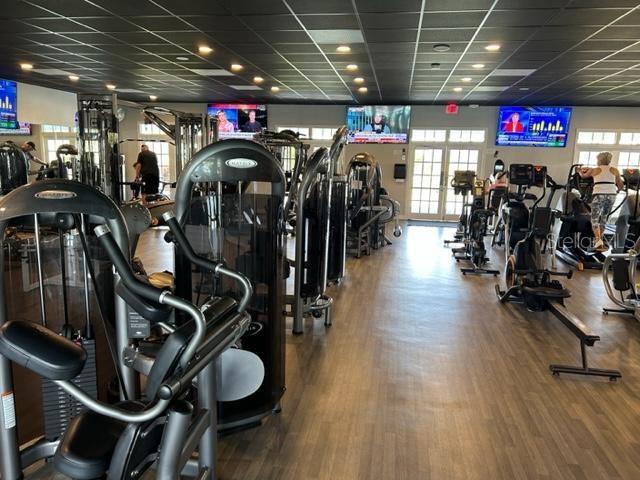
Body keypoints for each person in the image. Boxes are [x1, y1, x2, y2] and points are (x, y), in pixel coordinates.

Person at [578, 151, 623, 251]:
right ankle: (598, 240)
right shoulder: (615, 170)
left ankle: (598, 241)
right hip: (611, 195)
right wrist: (618, 191)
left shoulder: (595, 170)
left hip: (599, 195)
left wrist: (579, 171)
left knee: (594, 218)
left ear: (599, 160)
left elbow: (583, 176)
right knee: (604, 217)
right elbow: (620, 185)